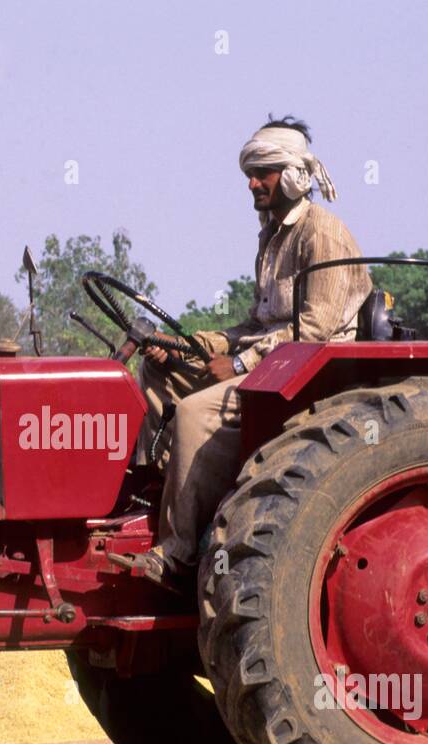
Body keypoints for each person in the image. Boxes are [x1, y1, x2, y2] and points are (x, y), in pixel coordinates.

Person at [114, 116, 373, 590]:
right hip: (272, 362)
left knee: (193, 413)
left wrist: (238, 364)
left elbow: (314, 330)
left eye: (261, 173)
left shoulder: (322, 233)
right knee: (158, 374)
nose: (252, 184)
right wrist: (195, 344)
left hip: (306, 374)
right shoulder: (271, 235)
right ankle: (160, 499)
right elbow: (258, 324)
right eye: (249, 174)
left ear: (293, 175)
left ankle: (179, 554)